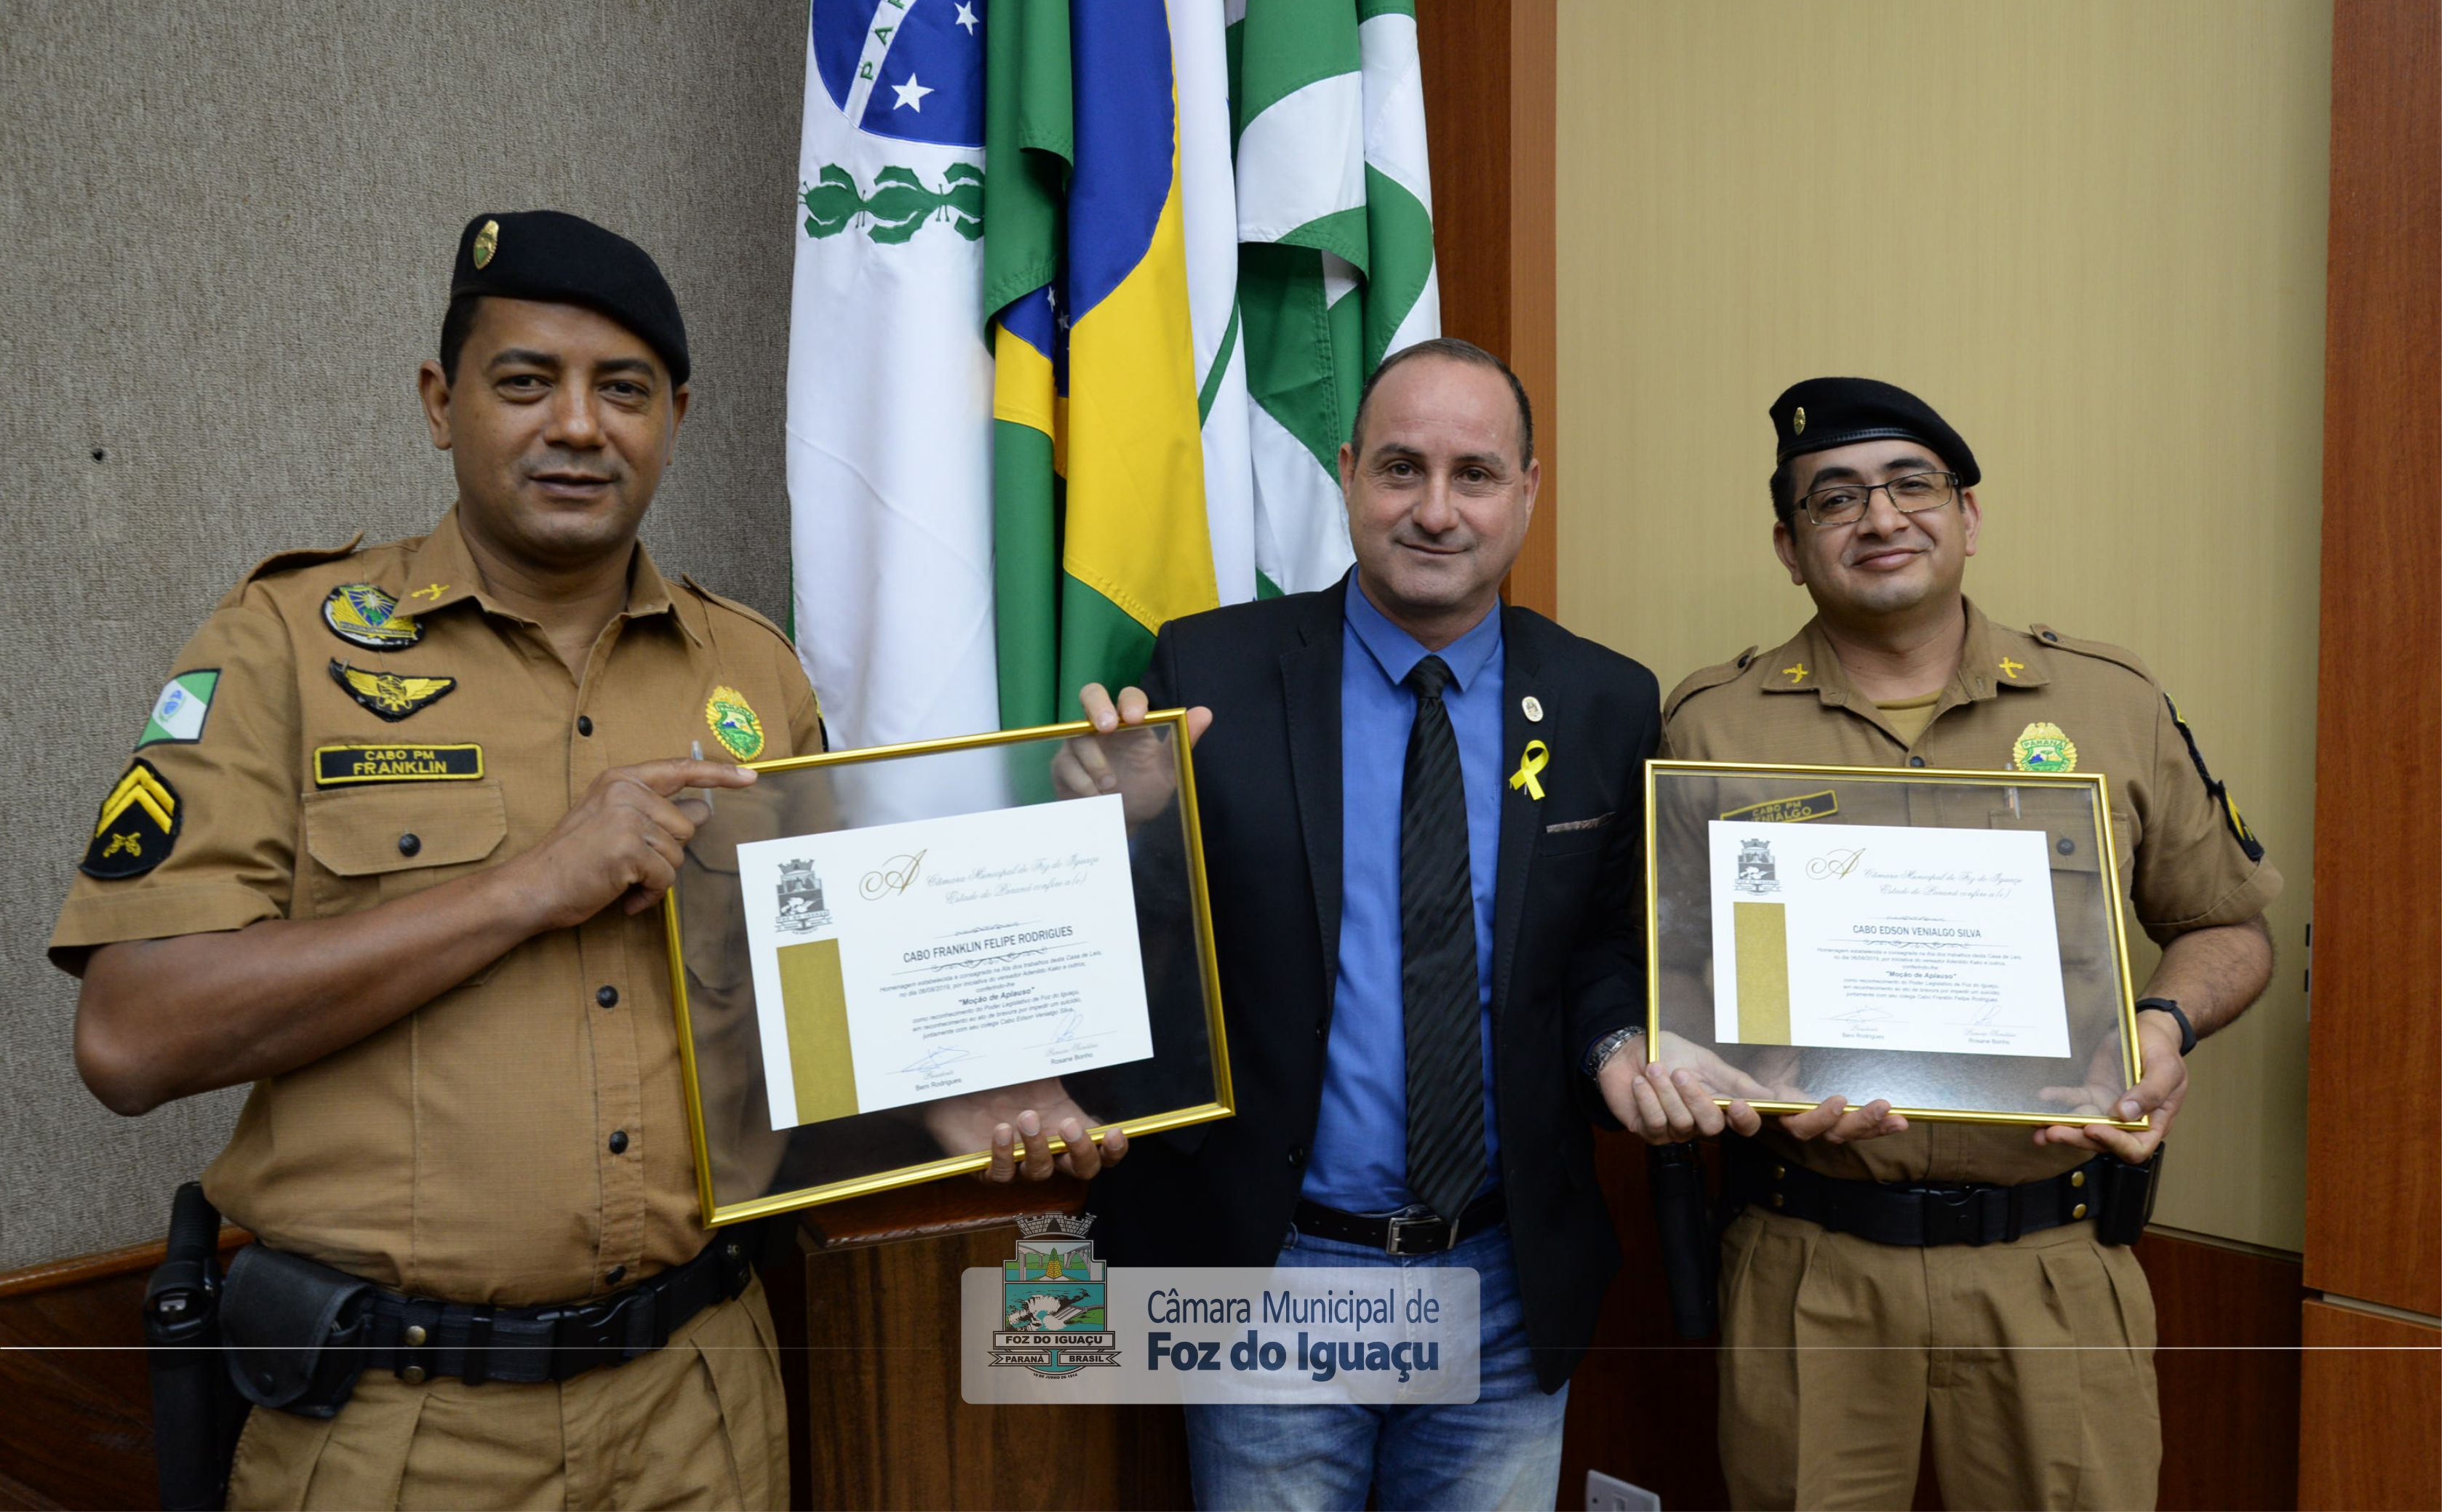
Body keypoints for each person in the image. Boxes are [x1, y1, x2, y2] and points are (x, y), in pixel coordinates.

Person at [51, 210, 1117, 1511]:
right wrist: (526, 887)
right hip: (399, 1427)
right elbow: (130, 1037)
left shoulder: (752, 671)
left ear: (674, 413)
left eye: (621, 390)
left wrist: (971, 1096)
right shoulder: (289, 647)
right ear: (442, 404)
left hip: (698, 1401)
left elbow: (823, 1007)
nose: (576, 425)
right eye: (525, 381)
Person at [1073, 337, 1704, 1510]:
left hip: (1503, 1284)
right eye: (1400, 469)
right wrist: (1117, 836)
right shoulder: (1209, 667)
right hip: (1278, 1273)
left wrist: (1615, 1045)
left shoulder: (1603, 699)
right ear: (1350, 473)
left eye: (1474, 474)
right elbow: (1149, 954)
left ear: (1526, 490)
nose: (1434, 509)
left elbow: (1603, 946)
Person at [1660, 376, 2279, 1511]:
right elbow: (1675, 981)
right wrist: (1742, 1075)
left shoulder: (2108, 705)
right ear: (1789, 547)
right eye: (1834, 498)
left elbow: (2226, 923)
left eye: (1911, 485)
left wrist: (2163, 1020)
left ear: (1968, 516)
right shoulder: (1710, 724)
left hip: (2050, 1262)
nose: (1880, 518)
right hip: (1810, 1261)